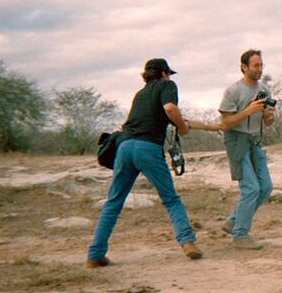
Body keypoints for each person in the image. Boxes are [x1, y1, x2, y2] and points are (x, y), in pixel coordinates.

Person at [86, 58, 202, 267]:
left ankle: (95, 255)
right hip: (147, 147)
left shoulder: (139, 94)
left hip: (124, 147)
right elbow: (169, 108)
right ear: (164, 73)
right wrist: (183, 128)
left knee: (113, 202)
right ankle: (188, 243)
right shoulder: (167, 85)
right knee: (170, 199)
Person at [216, 49, 274, 249]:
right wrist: (248, 111)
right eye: (255, 66)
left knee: (265, 187)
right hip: (236, 140)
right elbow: (226, 123)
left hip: (255, 141)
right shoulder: (233, 91)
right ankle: (240, 235)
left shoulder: (265, 89)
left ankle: (234, 221)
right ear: (244, 67)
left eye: (261, 65)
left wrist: (268, 116)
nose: (259, 69)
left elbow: (268, 123)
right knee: (250, 188)